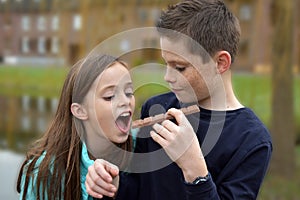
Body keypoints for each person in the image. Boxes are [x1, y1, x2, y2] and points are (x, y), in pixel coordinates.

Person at [86, 0, 272, 199]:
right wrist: (114, 185)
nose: (167, 77)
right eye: (166, 63)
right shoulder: (156, 108)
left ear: (220, 63)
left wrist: (195, 170)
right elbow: (139, 190)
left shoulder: (252, 139)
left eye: (180, 67)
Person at [16, 54, 135, 200]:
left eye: (129, 93)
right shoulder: (45, 172)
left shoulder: (144, 151)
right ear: (80, 111)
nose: (125, 101)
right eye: (110, 96)